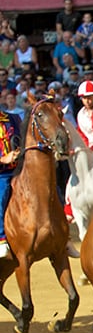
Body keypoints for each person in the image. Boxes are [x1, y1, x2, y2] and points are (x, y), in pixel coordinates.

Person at [0, 110, 20, 258]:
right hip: (2, 172)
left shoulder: (13, 118)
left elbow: (23, 139)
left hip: (20, 168)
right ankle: (1, 239)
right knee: (1, 194)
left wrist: (19, 152)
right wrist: (3, 159)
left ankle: (64, 238)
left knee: (52, 187)